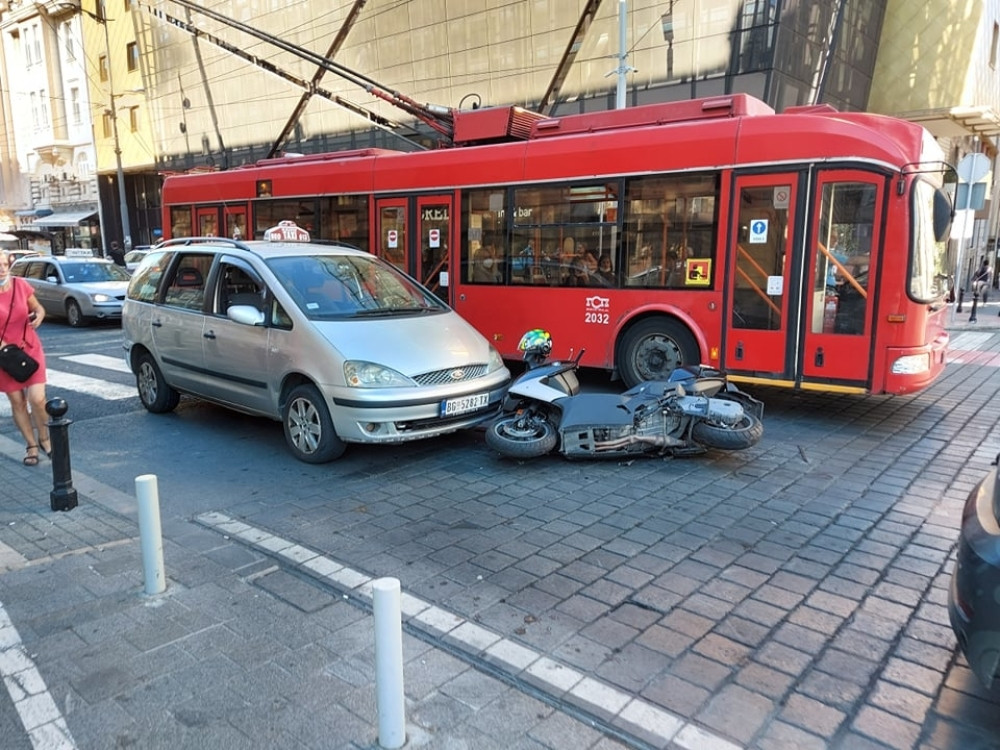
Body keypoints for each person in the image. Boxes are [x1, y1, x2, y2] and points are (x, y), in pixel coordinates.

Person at [0, 252, 49, 466]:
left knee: (37, 398)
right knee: (18, 402)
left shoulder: (20, 285)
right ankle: (31, 445)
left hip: (29, 347)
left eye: (4, 264)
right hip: (4, 355)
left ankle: (45, 439)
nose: (2, 268)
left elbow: (38, 307)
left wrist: (38, 315)